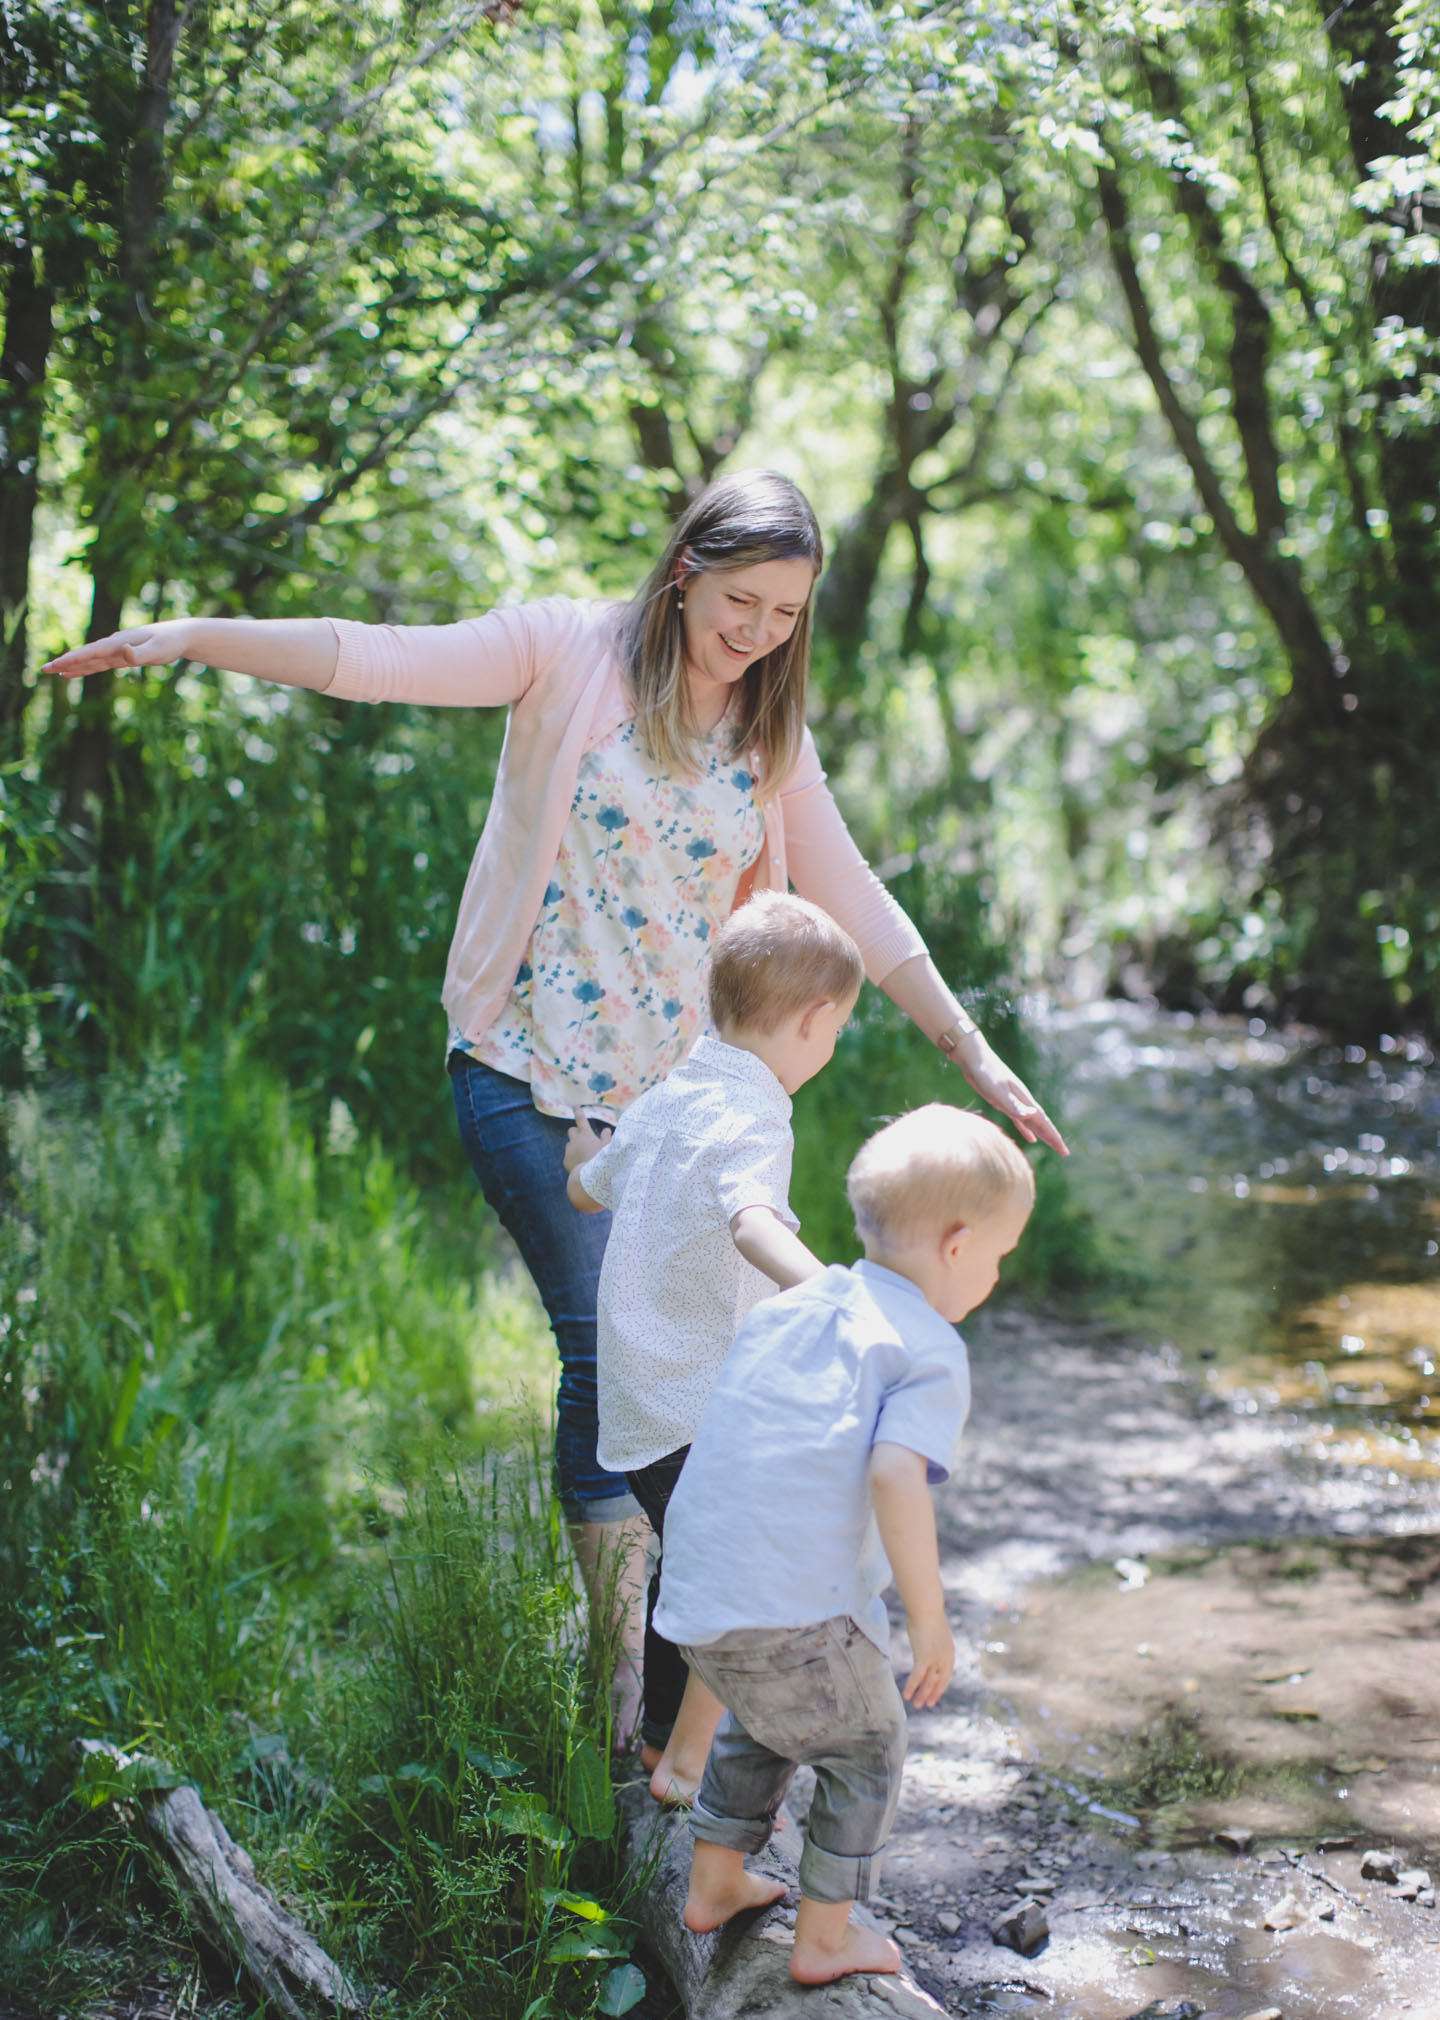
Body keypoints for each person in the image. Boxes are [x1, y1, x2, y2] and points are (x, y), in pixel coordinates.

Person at [42, 468, 1064, 1744]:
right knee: (607, 1344)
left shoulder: (766, 731)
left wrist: (975, 1054)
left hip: (679, 1113)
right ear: (684, 567)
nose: (757, 632)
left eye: (787, 614)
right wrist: (194, 639)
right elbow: (374, 657)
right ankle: (619, 1685)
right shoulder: (562, 650)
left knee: (704, 1372)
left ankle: (676, 1702)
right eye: (740, 599)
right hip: (525, 1077)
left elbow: (855, 894)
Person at [653, 1103, 1035, 1986]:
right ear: (955, 1245)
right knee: (865, 1747)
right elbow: (897, 1476)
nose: (998, 1274)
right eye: (1000, 1257)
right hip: (792, 1611)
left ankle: (714, 1879)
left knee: (766, 1715)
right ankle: (825, 1938)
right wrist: (930, 1626)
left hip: (700, 1594)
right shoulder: (927, 1347)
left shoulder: (801, 1304)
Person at [563, 891, 864, 1801]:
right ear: (814, 1023)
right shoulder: (754, 1118)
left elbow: (587, 1190)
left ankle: (660, 1745)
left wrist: (582, 1152)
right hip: (700, 1403)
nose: (834, 1045)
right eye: (839, 1030)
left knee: (682, 1563)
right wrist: (834, 1297)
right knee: (736, 1581)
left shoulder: (668, 1098)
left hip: (641, 1398)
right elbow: (751, 1221)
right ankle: (694, 1775)